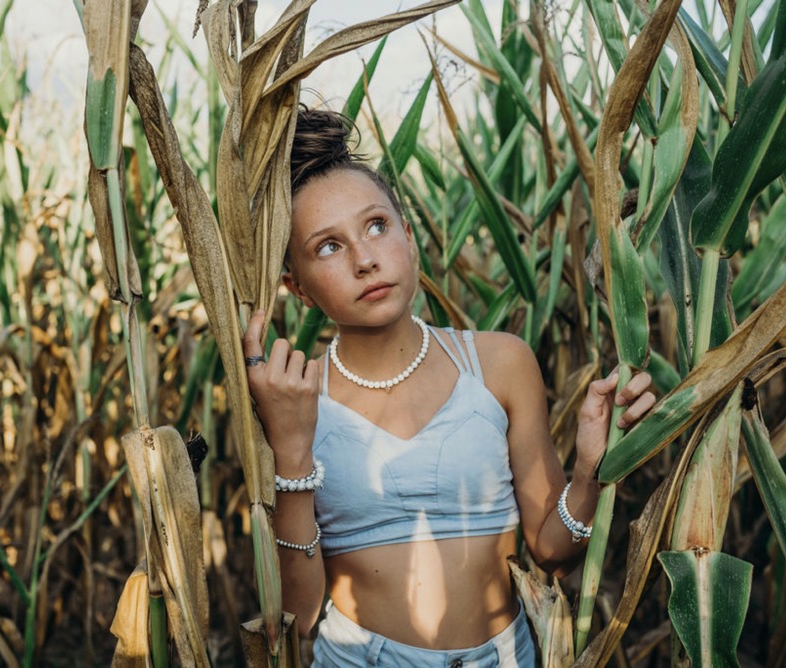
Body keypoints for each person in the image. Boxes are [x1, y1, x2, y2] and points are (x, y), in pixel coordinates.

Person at [241, 107, 655, 667]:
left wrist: (590, 470)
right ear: (298, 287)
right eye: (329, 247)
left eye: (377, 226)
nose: (366, 260)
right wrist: (291, 453)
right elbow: (300, 612)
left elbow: (554, 554)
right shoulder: (294, 398)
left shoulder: (499, 364)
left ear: (408, 238)